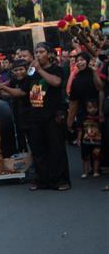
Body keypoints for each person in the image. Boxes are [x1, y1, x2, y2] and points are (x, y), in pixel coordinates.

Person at [26, 43, 71, 191]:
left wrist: (40, 69)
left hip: (52, 115)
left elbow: (56, 82)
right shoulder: (32, 72)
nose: (38, 55)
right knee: (38, 150)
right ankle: (42, 180)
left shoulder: (56, 69)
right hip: (36, 115)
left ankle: (60, 180)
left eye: (41, 52)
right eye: (36, 52)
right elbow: (25, 89)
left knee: (56, 149)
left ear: (50, 54)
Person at [77, 99, 102, 178]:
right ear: (86, 108)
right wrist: (78, 139)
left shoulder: (99, 118)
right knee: (85, 157)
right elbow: (80, 130)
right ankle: (85, 172)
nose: (93, 109)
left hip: (97, 141)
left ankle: (95, 171)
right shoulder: (84, 118)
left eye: (95, 107)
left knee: (96, 156)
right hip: (86, 141)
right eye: (90, 107)